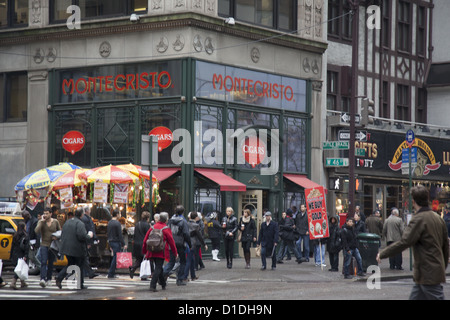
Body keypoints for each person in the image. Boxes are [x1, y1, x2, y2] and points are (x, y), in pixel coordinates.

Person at [377, 185, 449, 300]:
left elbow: (405, 242)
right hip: (428, 272)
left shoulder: (418, 219)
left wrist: (383, 253)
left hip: (427, 272)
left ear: (413, 201)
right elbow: (445, 246)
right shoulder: (438, 218)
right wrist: (442, 265)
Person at [56, 207, 93, 289]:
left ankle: (59, 277)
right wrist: (89, 236)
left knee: (71, 264)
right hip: (77, 249)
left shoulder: (67, 222)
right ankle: (80, 284)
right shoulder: (80, 224)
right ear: (82, 215)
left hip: (66, 248)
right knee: (79, 265)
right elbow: (82, 236)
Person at [142, 212, 178, 292]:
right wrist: (175, 253)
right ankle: (153, 285)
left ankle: (163, 284)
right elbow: (171, 242)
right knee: (158, 268)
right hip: (161, 251)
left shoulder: (152, 227)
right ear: (166, 220)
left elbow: (145, 240)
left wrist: (144, 250)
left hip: (151, 250)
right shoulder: (166, 228)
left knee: (159, 267)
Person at [164, 205, 191, 286]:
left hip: (171, 243)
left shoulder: (170, 221)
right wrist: (189, 244)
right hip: (180, 243)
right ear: (183, 212)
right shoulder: (183, 221)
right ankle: (180, 279)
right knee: (183, 261)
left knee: (171, 261)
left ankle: (162, 274)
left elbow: (167, 230)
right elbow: (186, 234)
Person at [35, 207, 61, 287]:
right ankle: (42, 279)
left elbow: (60, 231)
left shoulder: (55, 222)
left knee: (51, 263)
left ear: (51, 214)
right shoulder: (41, 222)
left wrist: (57, 237)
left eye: (47, 213)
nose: (45, 215)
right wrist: (41, 222)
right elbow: (36, 231)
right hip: (44, 244)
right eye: (44, 213)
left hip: (53, 246)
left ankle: (49, 278)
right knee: (43, 262)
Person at [185, 212, 208, 281]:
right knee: (189, 260)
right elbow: (199, 236)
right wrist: (204, 244)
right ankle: (185, 276)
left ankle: (193, 275)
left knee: (192, 260)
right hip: (192, 244)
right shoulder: (196, 225)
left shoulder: (186, 224)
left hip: (186, 243)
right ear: (196, 217)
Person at [129, 211, 151, 279]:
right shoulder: (147, 225)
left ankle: (133, 268)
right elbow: (148, 235)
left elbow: (135, 234)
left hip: (136, 243)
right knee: (144, 259)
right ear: (147, 218)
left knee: (139, 259)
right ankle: (142, 275)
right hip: (143, 244)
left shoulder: (137, 224)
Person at [107, 209, 126, 279]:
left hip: (111, 241)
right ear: (117, 214)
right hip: (116, 242)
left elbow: (108, 233)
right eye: (119, 214)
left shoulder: (109, 223)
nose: (120, 215)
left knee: (114, 257)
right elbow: (120, 235)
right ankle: (111, 273)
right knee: (116, 257)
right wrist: (124, 244)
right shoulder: (117, 223)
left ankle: (112, 272)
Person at [81, 205, 99, 279]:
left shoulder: (86, 218)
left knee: (85, 257)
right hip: (87, 240)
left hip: (88, 239)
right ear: (87, 211)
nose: (90, 211)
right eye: (89, 210)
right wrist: (91, 240)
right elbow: (89, 229)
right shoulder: (86, 219)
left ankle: (87, 272)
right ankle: (87, 272)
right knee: (85, 257)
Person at [10, 221, 29, 289]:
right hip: (21, 254)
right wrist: (26, 255)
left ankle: (23, 283)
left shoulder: (15, 235)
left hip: (15, 254)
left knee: (18, 268)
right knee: (19, 269)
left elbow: (12, 246)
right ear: (23, 227)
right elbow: (26, 247)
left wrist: (11, 255)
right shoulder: (25, 236)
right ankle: (13, 282)